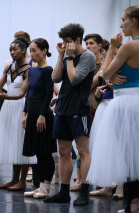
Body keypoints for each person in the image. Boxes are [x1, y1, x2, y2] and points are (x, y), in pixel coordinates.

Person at [87, 6, 139, 212]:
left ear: (133, 21)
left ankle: (133, 204)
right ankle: (134, 203)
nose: (120, 24)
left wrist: (112, 47)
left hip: (126, 102)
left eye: (123, 20)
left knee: (128, 155)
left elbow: (103, 75)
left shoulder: (127, 46)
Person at [0, 38, 57, 198]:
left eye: (35, 50)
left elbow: (48, 94)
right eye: (32, 50)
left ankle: (46, 187)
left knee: (45, 152)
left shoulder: (48, 70)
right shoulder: (33, 70)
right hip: (32, 114)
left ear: (44, 51)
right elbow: (28, 94)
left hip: (42, 115)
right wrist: (25, 113)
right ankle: (41, 186)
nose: (32, 53)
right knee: (38, 153)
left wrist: (42, 115)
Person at [43, 23, 96, 206]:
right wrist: (60, 55)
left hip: (79, 108)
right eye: (63, 42)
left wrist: (70, 57)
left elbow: (74, 79)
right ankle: (64, 192)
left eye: (67, 42)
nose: (65, 45)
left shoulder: (87, 56)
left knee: (82, 151)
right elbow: (56, 77)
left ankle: (84, 192)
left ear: (77, 40)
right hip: (63, 108)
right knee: (64, 151)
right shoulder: (67, 55)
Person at [0, 37, 36, 191]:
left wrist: (5, 96)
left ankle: (22, 181)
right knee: (13, 143)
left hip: (21, 106)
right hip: (8, 107)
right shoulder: (9, 68)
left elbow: (22, 93)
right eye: (10, 50)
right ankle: (14, 179)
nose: (12, 52)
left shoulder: (29, 69)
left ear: (23, 50)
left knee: (22, 143)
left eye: (15, 49)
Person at [70, 33, 103, 191]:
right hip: (84, 106)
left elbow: (88, 85)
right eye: (86, 43)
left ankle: (97, 178)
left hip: (97, 106)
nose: (88, 46)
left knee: (96, 144)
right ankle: (79, 178)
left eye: (91, 43)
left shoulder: (103, 65)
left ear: (99, 46)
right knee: (81, 146)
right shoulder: (83, 63)